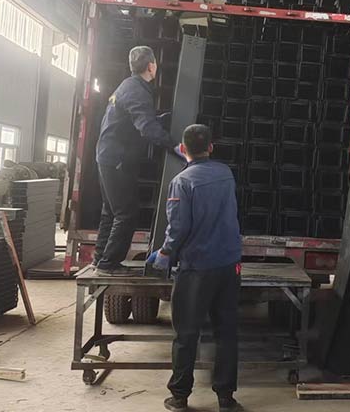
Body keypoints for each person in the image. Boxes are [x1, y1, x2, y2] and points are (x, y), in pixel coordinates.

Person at [148, 124, 242, 412]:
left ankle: (179, 396)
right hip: (229, 265)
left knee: (187, 334)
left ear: (182, 149)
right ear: (211, 147)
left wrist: (164, 254)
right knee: (226, 332)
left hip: (197, 268)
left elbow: (178, 228)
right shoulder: (225, 174)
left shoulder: (182, 182)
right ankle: (226, 398)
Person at [94, 46, 178, 276]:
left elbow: (134, 118)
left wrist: (160, 119)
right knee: (126, 213)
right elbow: (147, 128)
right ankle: (109, 264)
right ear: (151, 66)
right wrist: (175, 146)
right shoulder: (138, 91)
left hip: (107, 156)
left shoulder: (127, 86)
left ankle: (100, 259)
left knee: (110, 211)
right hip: (118, 160)